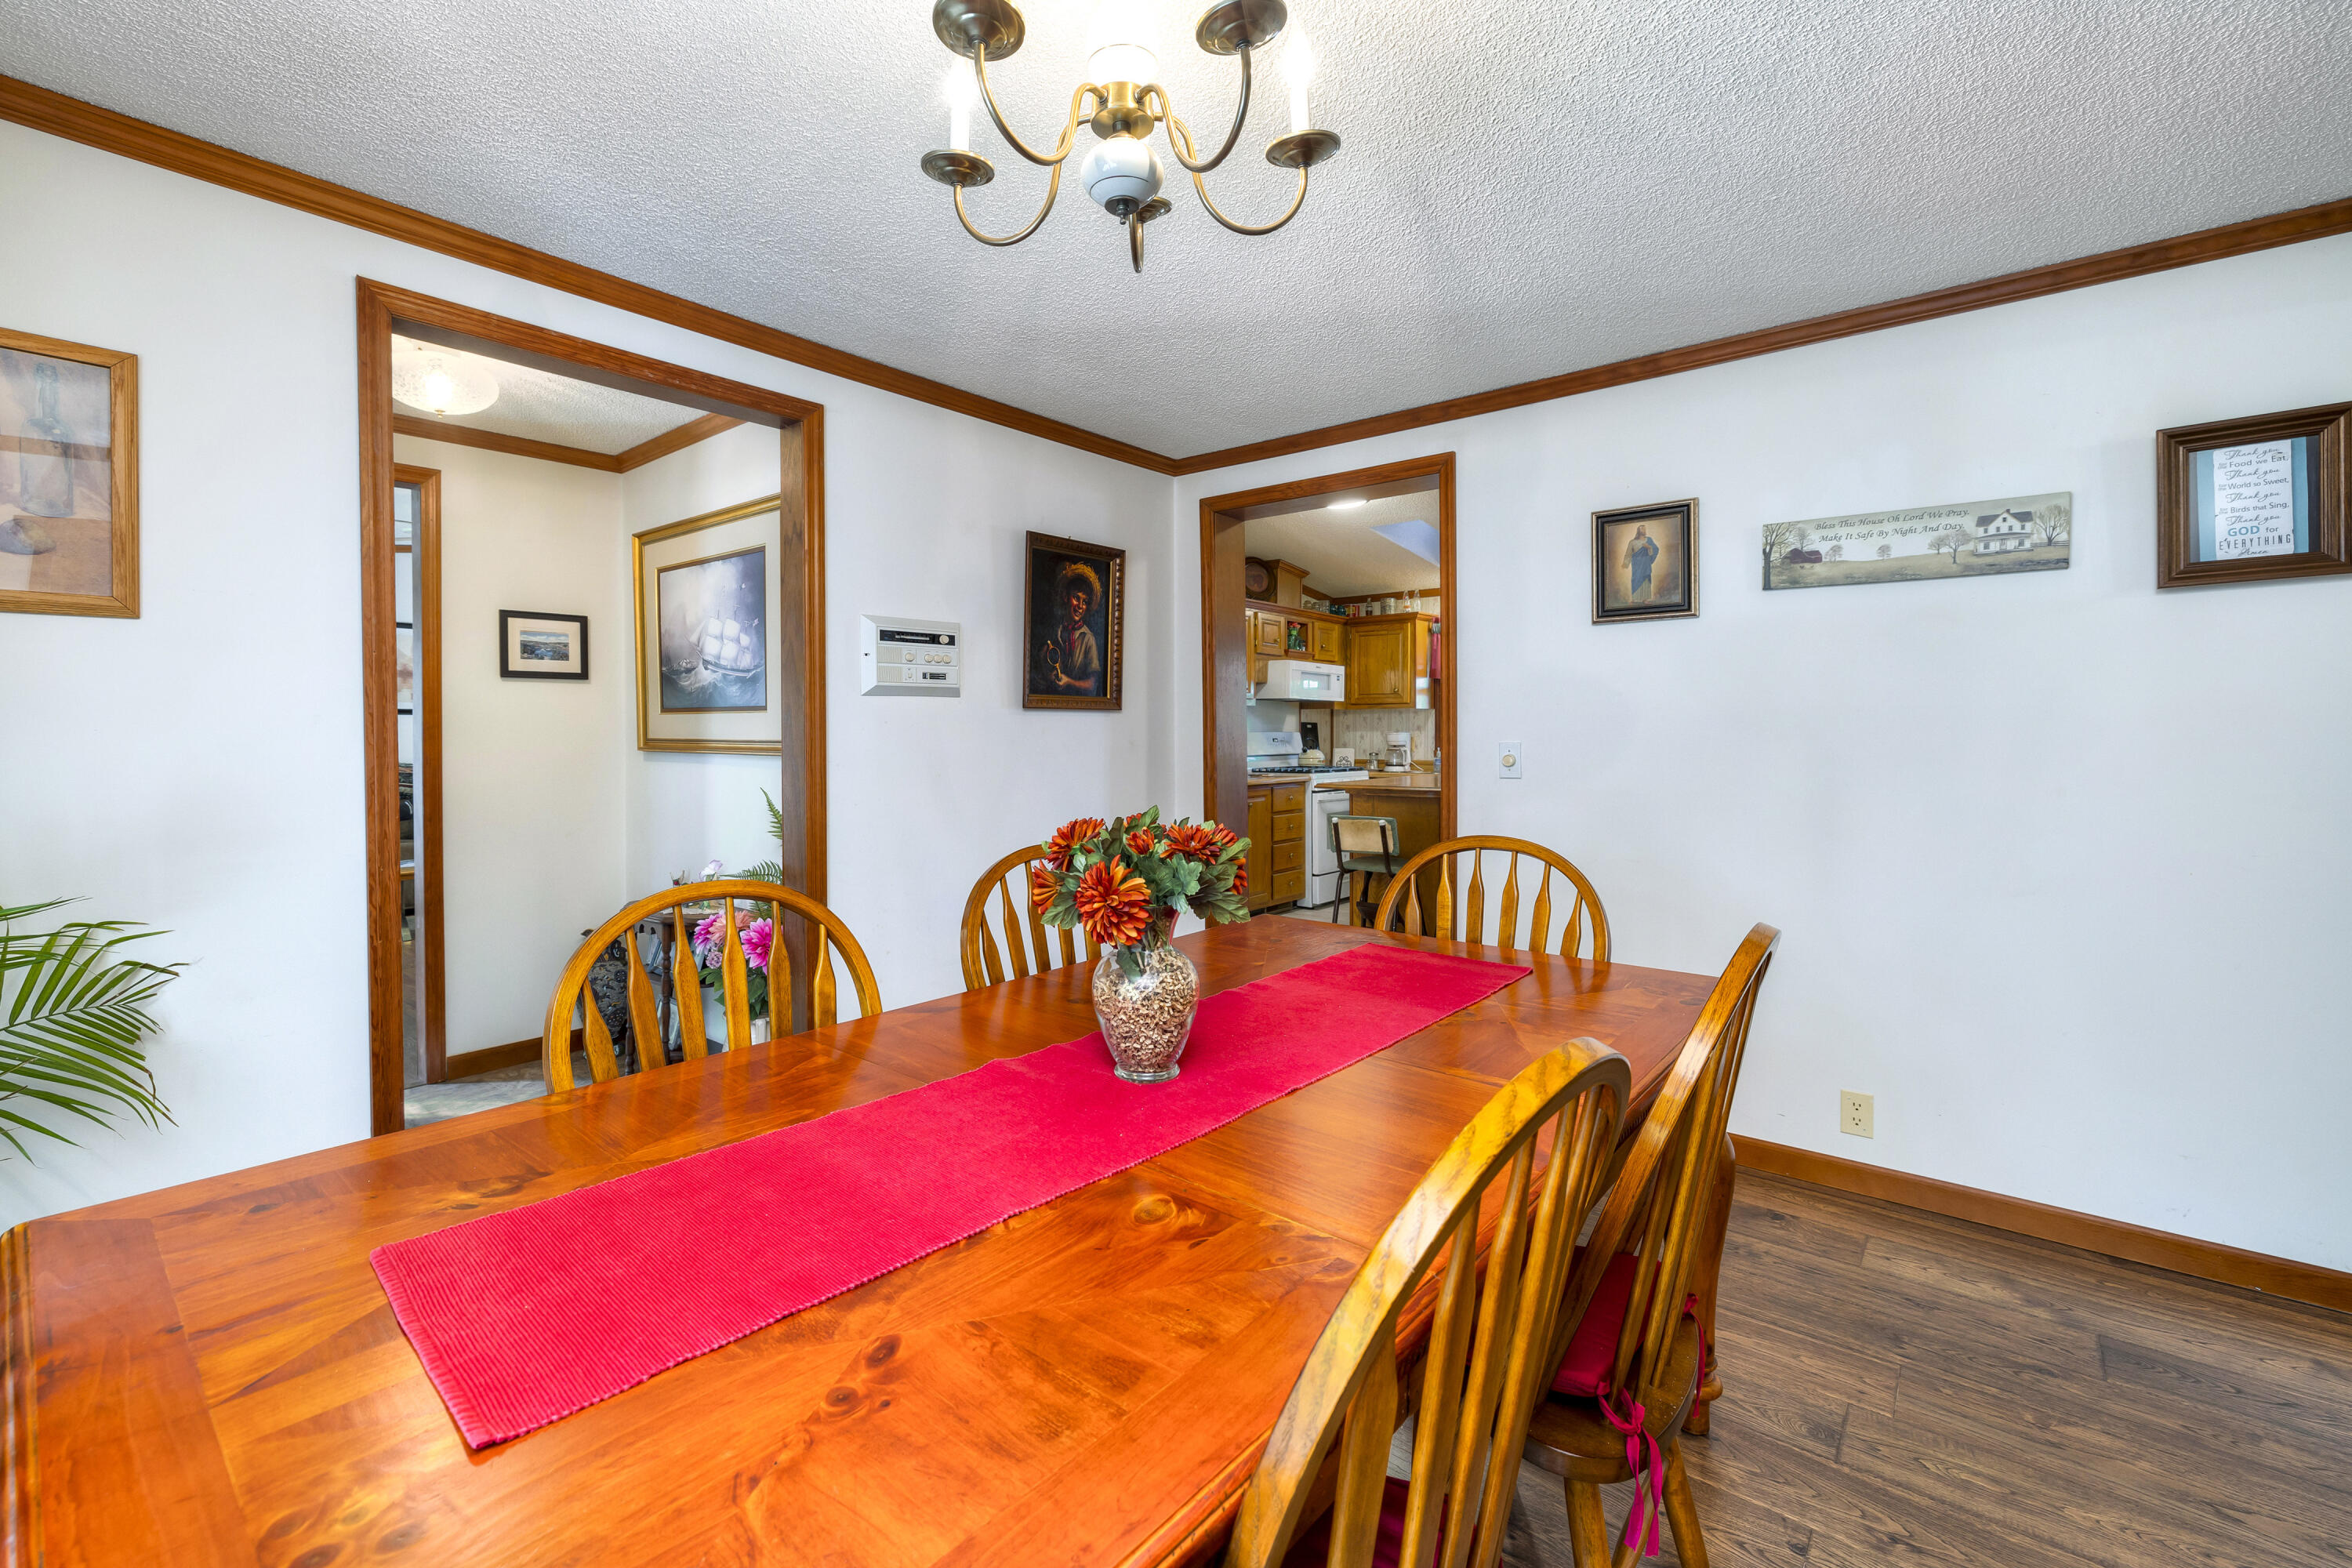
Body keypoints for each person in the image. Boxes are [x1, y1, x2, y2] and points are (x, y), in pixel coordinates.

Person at [1039, 559, 1103, 695]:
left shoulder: (1088, 639)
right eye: (1076, 598)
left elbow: (1093, 685)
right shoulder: (1056, 632)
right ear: (1065, 597)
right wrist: (1049, 676)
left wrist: (1069, 682)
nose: (1080, 606)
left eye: (1085, 602)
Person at [1624, 523, 1660, 602]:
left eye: (1645, 529)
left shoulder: (1649, 540)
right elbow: (1628, 553)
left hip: (1646, 563)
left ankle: (1645, 599)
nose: (1644, 530)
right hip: (1637, 564)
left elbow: (1656, 549)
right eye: (1642, 529)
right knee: (1636, 579)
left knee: (1646, 579)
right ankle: (1635, 598)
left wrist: (1649, 547)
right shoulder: (1632, 542)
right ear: (1638, 531)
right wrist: (1625, 564)